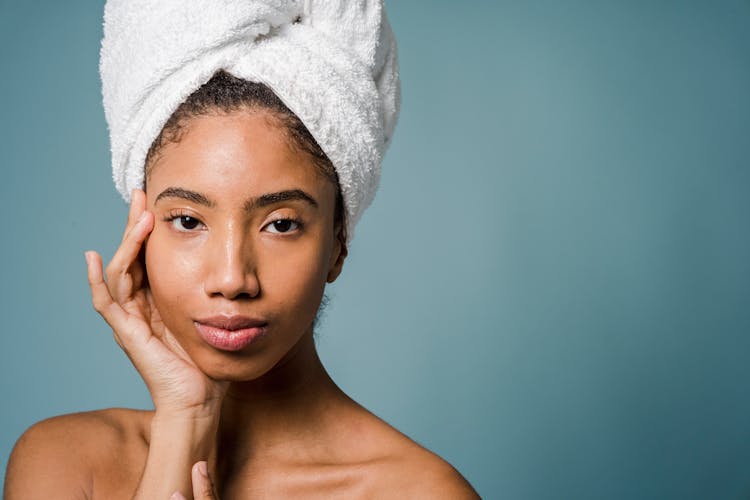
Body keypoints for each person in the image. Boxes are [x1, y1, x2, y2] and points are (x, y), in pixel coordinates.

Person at [4, 2, 479, 499]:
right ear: (140, 234)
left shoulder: (420, 492)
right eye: (188, 221)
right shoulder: (64, 464)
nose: (232, 278)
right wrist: (185, 416)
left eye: (280, 224)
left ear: (338, 243)